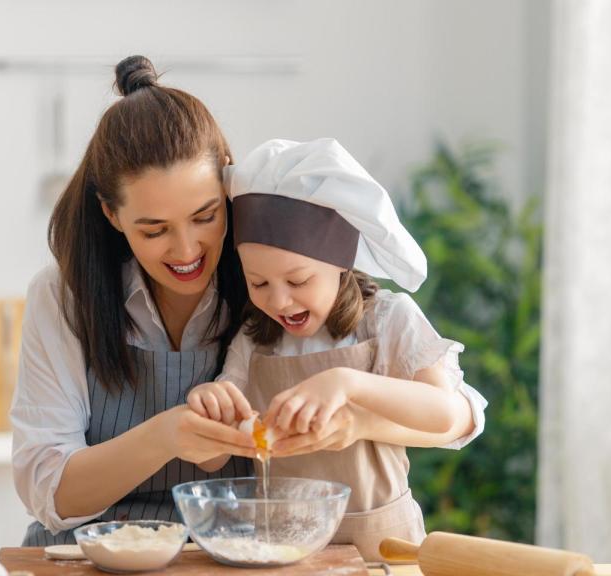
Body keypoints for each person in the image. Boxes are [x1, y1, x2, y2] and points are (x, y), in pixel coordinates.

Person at [186, 138, 488, 560]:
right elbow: (214, 461)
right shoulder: (254, 339)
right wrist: (210, 409)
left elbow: (443, 413)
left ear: (342, 262)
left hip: (383, 546)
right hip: (285, 550)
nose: (279, 301)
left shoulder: (387, 320)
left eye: (298, 281)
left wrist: (348, 384)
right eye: (259, 283)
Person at [11, 55, 258, 545]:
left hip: (230, 554)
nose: (187, 250)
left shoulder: (269, 281)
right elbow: (48, 492)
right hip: (84, 556)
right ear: (112, 214)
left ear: (227, 186)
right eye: (155, 229)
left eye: (205, 216)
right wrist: (168, 435)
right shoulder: (63, 297)